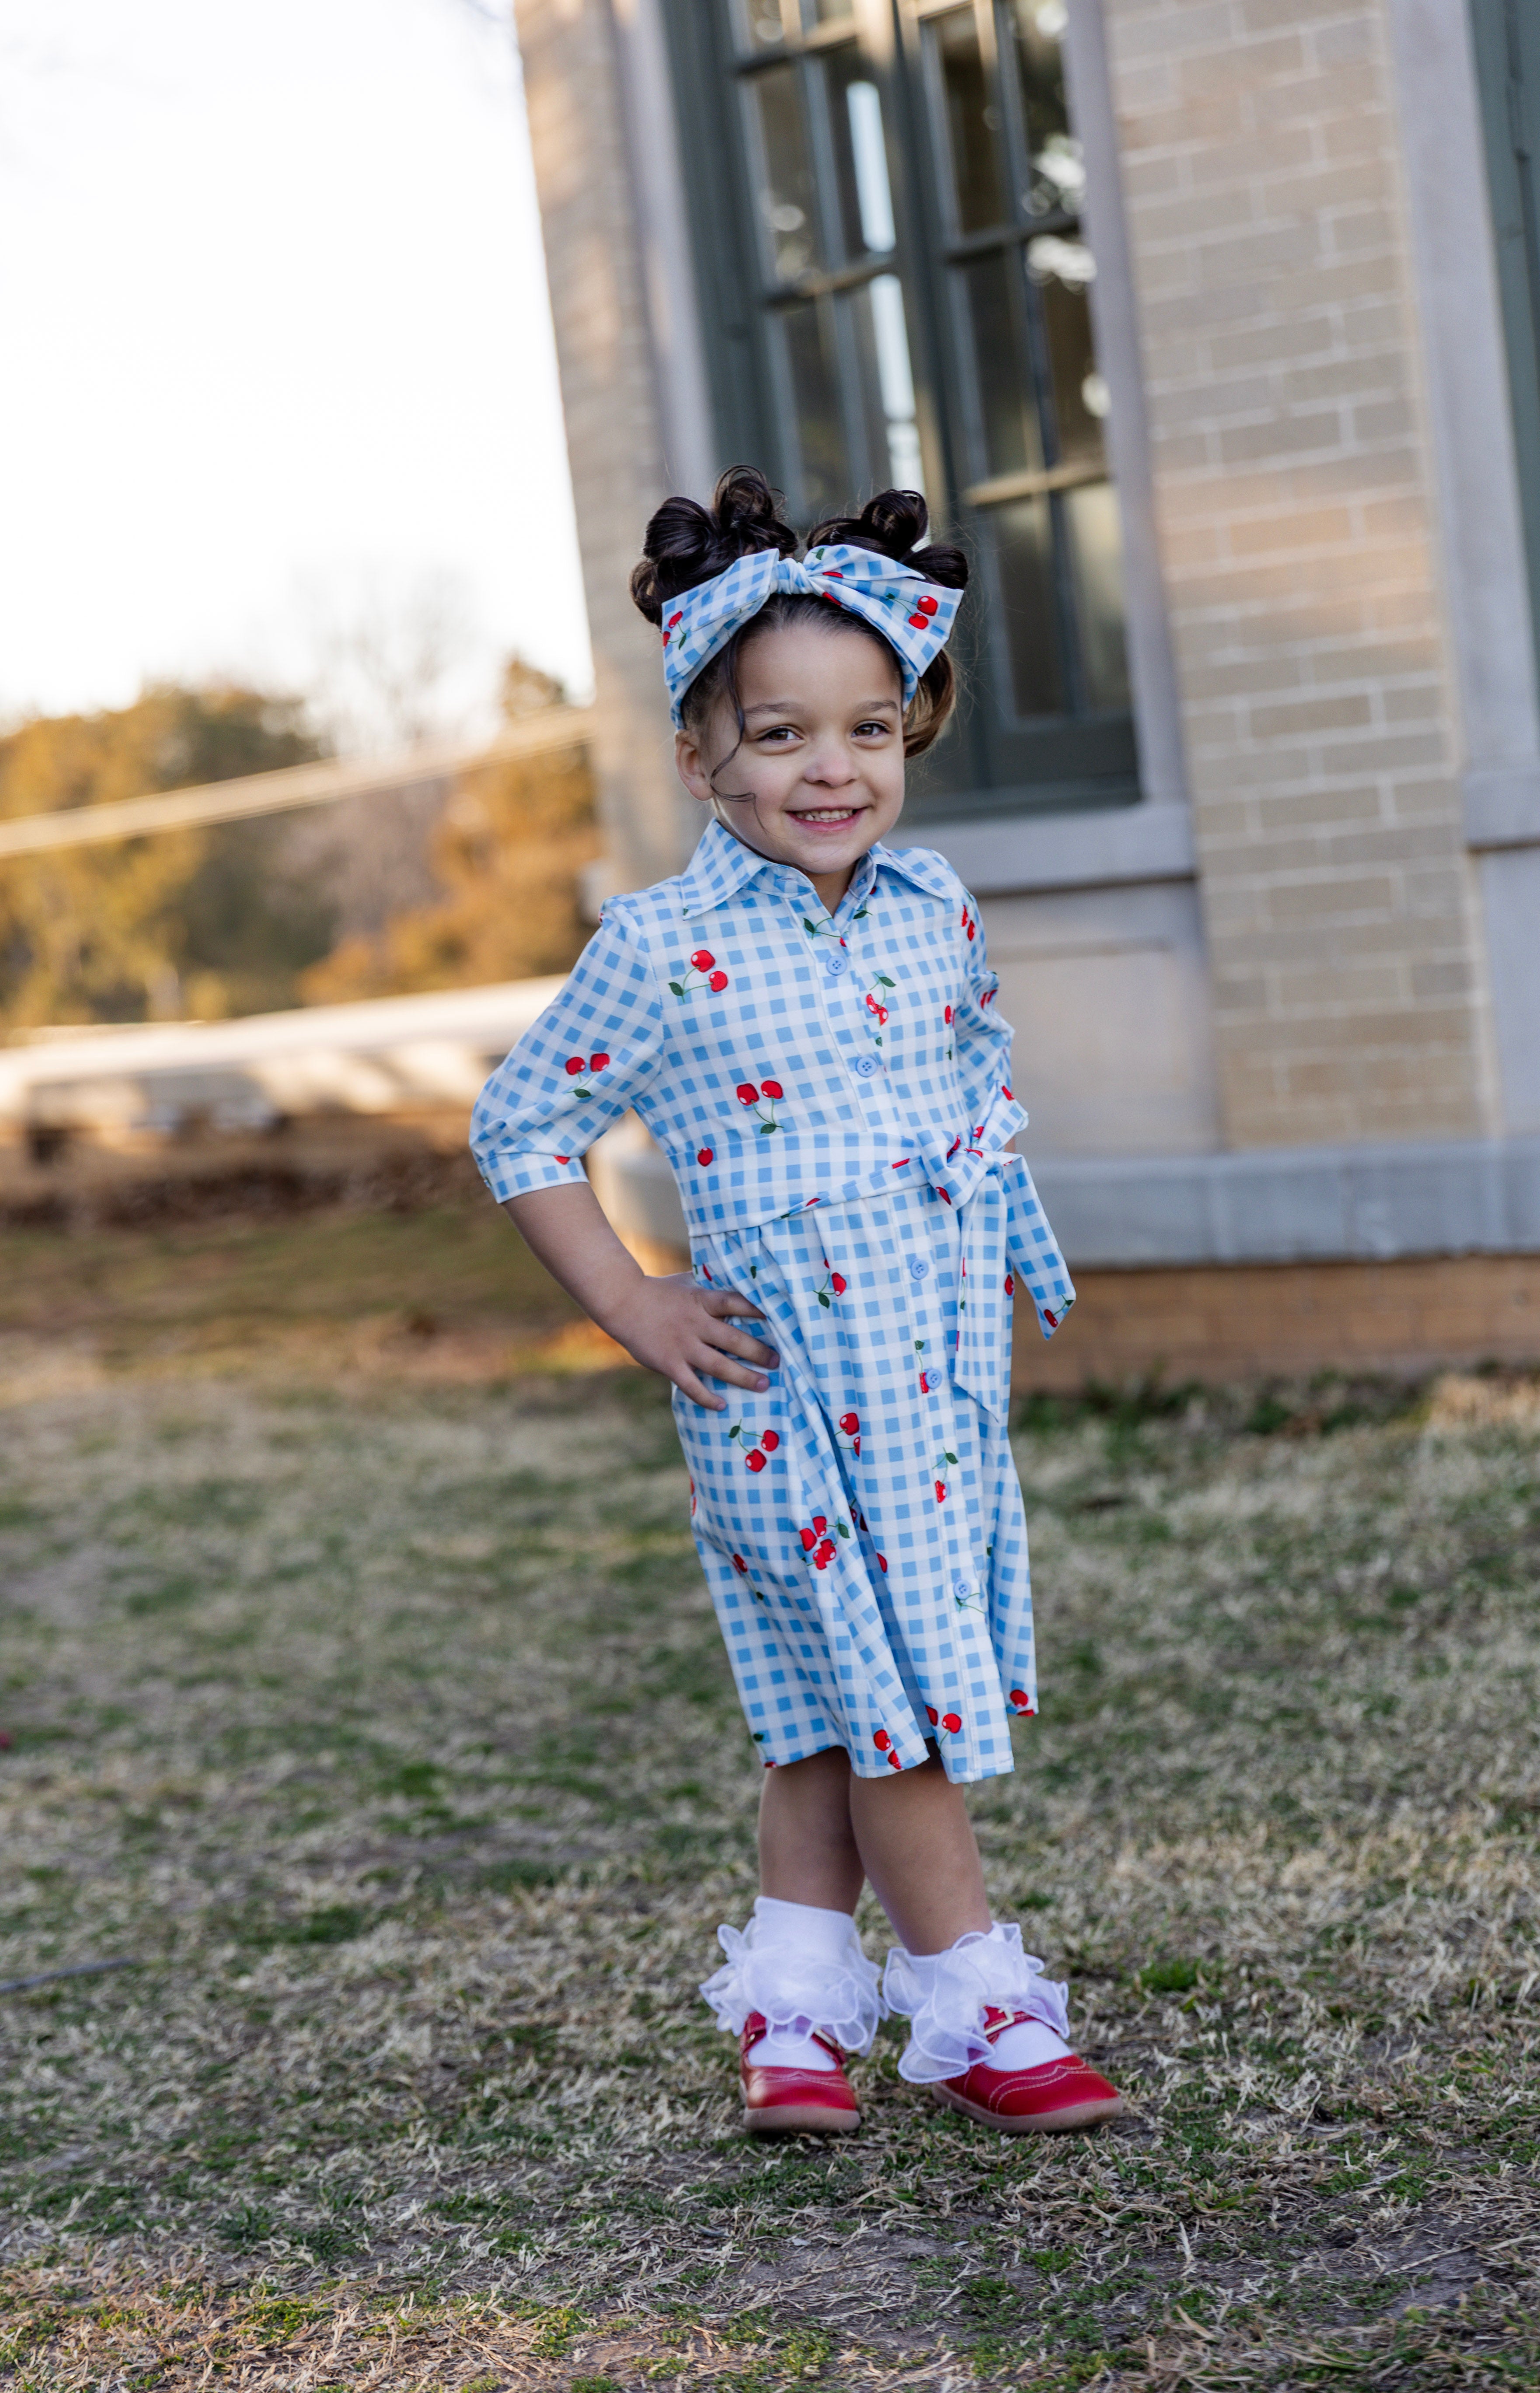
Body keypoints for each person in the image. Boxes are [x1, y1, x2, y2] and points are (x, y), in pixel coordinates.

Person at [470, 467, 1123, 2138]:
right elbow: (521, 1117)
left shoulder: (937, 913)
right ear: (701, 754)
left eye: (869, 733)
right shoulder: (664, 945)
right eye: (779, 735)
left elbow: (973, 1079)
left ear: (908, 738)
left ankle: (794, 2020)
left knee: (826, 1721)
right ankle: (980, 2006)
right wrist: (632, 1301)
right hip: (783, 1404)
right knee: (885, 1703)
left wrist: (981, 1254)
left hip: (932, 1389)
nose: (830, 769)